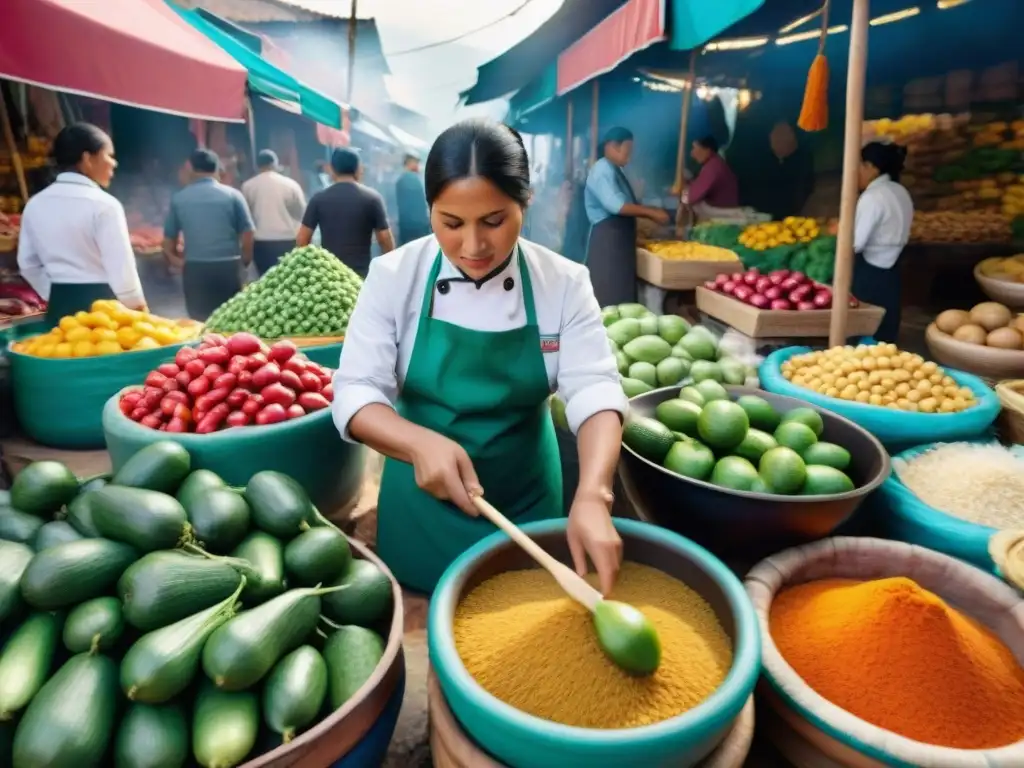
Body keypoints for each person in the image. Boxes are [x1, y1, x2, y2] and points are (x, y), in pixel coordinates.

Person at [332, 118, 627, 595]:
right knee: (429, 627)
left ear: (524, 205)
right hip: (420, 505)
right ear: (429, 211)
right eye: (451, 223)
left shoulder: (563, 283)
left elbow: (594, 389)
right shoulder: (393, 277)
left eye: (493, 221)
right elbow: (356, 391)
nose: (473, 246)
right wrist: (415, 444)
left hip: (527, 498)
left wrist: (594, 492)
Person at [17, 123, 146, 327]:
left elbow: (28, 264)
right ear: (87, 159)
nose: (114, 163)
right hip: (103, 309)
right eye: (109, 155)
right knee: (103, 357)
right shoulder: (105, 205)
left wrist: (53, 292)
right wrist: (138, 308)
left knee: (59, 357)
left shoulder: (35, 204)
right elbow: (122, 269)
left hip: (59, 305)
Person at [163, 149, 254, 321]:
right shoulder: (234, 195)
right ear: (217, 169)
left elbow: (168, 241)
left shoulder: (179, 198)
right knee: (231, 320)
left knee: (199, 323)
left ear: (191, 168)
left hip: (196, 270)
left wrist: (179, 262)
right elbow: (248, 232)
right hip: (229, 268)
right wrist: (243, 262)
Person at [584, 127, 669, 306]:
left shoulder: (614, 170)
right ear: (613, 146)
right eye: (627, 151)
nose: (630, 157)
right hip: (607, 244)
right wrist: (651, 213)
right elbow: (618, 206)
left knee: (622, 298)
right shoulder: (602, 170)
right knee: (609, 297)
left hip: (618, 243)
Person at [297, 148, 394, 277]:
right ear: (358, 169)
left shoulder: (319, 198)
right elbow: (384, 238)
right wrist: (390, 266)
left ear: (332, 169)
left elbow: (302, 239)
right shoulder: (372, 198)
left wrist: (310, 268)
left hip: (330, 276)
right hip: (361, 275)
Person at [852, 141, 913, 343]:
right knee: (887, 331)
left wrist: (840, 232)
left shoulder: (873, 197)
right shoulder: (900, 191)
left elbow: (856, 243)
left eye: (859, 165)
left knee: (865, 328)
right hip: (893, 270)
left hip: (872, 274)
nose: (856, 172)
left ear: (870, 167)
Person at [241, 149, 306, 275]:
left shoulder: (248, 186)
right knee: (287, 280)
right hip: (288, 241)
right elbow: (301, 213)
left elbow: (246, 217)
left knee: (266, 282)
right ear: (275, 164)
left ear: (257, 165)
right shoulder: (291, 185)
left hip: (260, 243)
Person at [677, 136, 740, 228]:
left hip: (723, 211)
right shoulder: (714, 163)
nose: (692, 154)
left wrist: (680, 192)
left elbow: (692, 197)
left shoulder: (713, 167)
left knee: (689, 203)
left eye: (695, 148)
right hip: (720, 208)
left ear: (707, 150)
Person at [395, 153, 431, 245]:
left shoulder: (401, 179)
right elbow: (418, 204)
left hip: (405, 225)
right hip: (416, 226)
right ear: (409, 163)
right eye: (416, 163)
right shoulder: (411, 178)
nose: (418, 166)